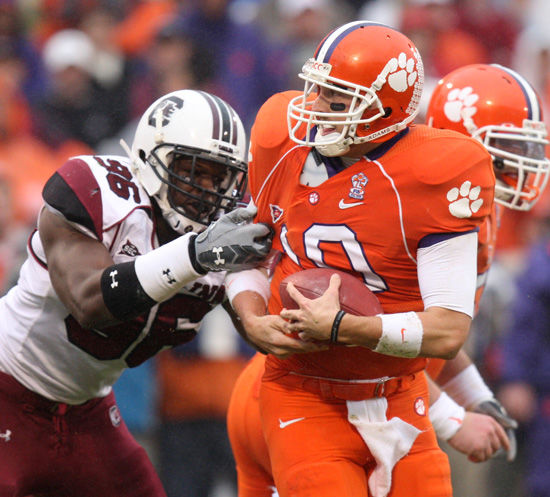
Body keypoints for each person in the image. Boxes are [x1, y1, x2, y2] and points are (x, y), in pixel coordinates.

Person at [227, 61, 550, 496]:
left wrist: (476, 395)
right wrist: (454, 421)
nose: (520, 164)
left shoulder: (472, 218)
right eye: (505, 147)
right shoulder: (412, 198)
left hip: (379, 392)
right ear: (453, 141)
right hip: (313, 389)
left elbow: (430, 335)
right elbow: (376, 331)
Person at [0, 88, 272, 497]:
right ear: (149, 156)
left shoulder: (222, 233)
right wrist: (195, 254)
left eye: (218, 177)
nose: (204, 189)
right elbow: (90, 302)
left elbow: (260, 327)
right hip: (8, 387)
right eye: (191, 169)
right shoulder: (99, 194)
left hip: (87, 411)